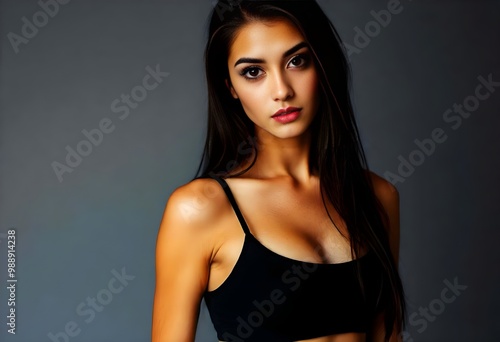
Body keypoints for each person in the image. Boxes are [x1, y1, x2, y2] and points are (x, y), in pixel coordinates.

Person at [151, 1, 406, 341]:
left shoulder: (377, 197)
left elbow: (386, 335)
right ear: (230, 87)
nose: (282, 90)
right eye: (253, 72)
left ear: (323, 64)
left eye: (297, 61)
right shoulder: (200, 209)